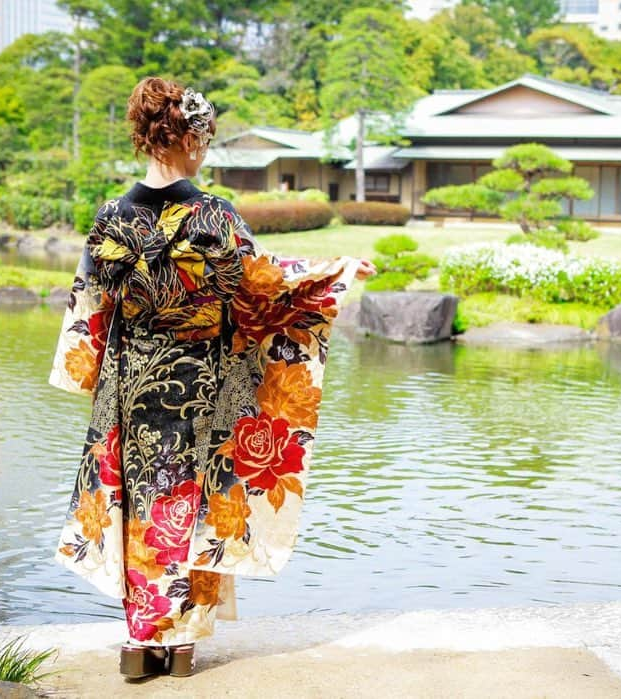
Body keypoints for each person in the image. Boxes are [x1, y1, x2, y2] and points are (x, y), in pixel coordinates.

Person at [47, 76, 376, 680]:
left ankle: (138, 642)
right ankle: (179, 645)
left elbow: (89, 307)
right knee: (192, 499)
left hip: (129, 381)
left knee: (138, 498)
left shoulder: (109, 217)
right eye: (204, 137)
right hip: (199, 380)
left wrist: (89, 370)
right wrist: (338, 272)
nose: (206, 149)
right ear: (187, 138)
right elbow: (262, 286)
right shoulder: (212, 215)